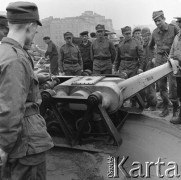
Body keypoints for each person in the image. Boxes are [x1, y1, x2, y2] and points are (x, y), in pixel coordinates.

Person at [0, 2, 53, 179]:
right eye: (35, 30)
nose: (35, 34)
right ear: (30, 25)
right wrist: (3, 147)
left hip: (17, 141)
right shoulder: (16, 58)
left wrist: (35, 80)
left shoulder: (4, 51)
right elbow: (11, 108)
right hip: (26, 142)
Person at [149, 10, 179, 117]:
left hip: (171, 61)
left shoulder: (173, 28)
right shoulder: (154, 32)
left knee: (173, 86)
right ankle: (166, 108)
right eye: (155, 21)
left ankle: (175, 109)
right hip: (159, 61)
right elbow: (150, 46)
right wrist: (153, 57)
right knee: (161, 86)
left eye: (159, 20)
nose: (157, 23)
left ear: (164, 19)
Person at [141, 27, 157, 110]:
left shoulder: (152, 45)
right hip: (144, 69)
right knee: (145, 88)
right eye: (143, 36)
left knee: (150, 87)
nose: (145, 38)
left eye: (147, 35)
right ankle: (148, 102)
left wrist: (152, 62)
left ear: (149, 35)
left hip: (151, 68)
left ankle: (153, 104)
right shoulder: (142, 46)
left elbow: (155, 56)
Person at [169, 16, 181, 124]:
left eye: (179, 23)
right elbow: (173, 50)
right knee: (180, 92)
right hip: (178, 69)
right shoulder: (177, 36)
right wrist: (170, 58)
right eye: (178, 23)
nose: (178, 25)